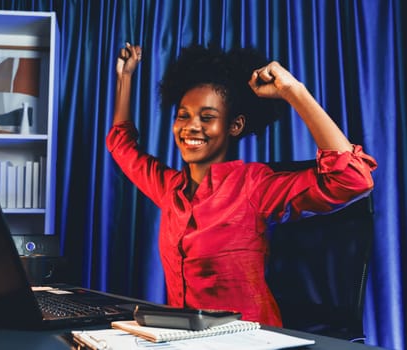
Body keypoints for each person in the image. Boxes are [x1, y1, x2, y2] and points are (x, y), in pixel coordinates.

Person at [106, 43, 377, 327]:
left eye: (207, 117)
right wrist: (125, 77)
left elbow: (352, 178)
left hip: (249, 339)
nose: (191, 127)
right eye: (183, 115)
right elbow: (120, 144)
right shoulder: (170, 188)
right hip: (183, 339)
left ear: (234, 126)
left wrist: (293, 91)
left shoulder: (254, 186)